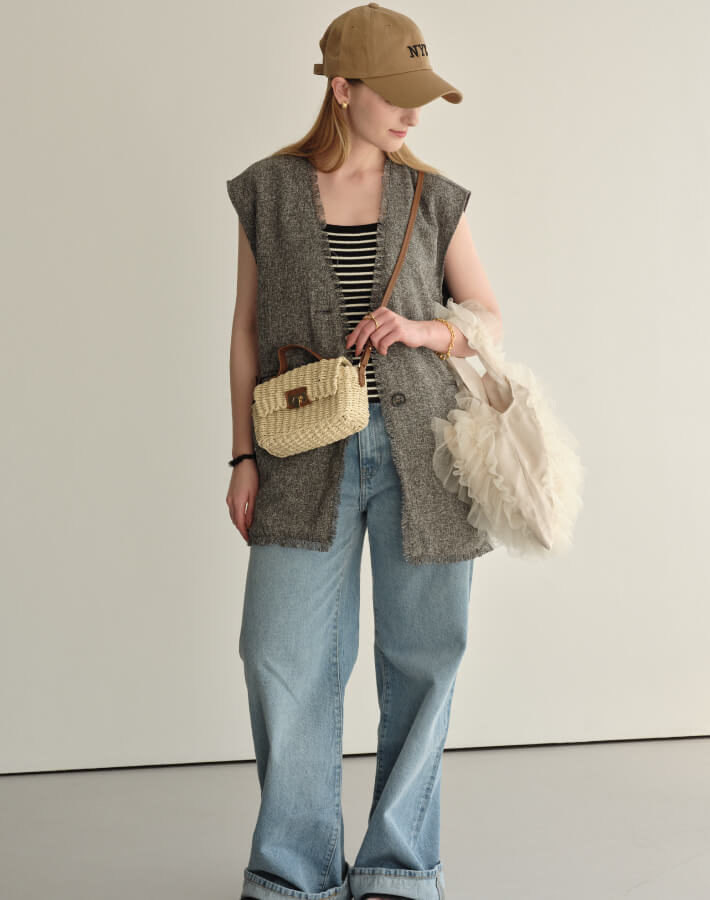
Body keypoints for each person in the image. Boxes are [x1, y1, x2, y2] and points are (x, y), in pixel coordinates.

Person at [225, 5, 503, 900]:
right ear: (343, 91)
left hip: (426, 455)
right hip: (301, 452)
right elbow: (246, 330)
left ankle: (398, 868)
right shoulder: (268, 191)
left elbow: (487, 321)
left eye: (422, 97)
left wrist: (422, 331)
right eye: (396, 95)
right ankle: (293, 873)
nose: (414, 114)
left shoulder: (435, 196)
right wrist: (242, 458)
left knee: (426, 656)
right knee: (279, 655)